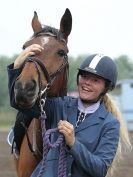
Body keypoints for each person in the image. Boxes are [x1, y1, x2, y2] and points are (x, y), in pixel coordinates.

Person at [7, 44, 131, 177]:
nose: (87, 83)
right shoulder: (60, 105)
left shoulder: (110, 124)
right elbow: (20, 104)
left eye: (95, 80)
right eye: (84, 76)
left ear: (106, 88)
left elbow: (100, 169)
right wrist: (16, 68)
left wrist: (73, 143)